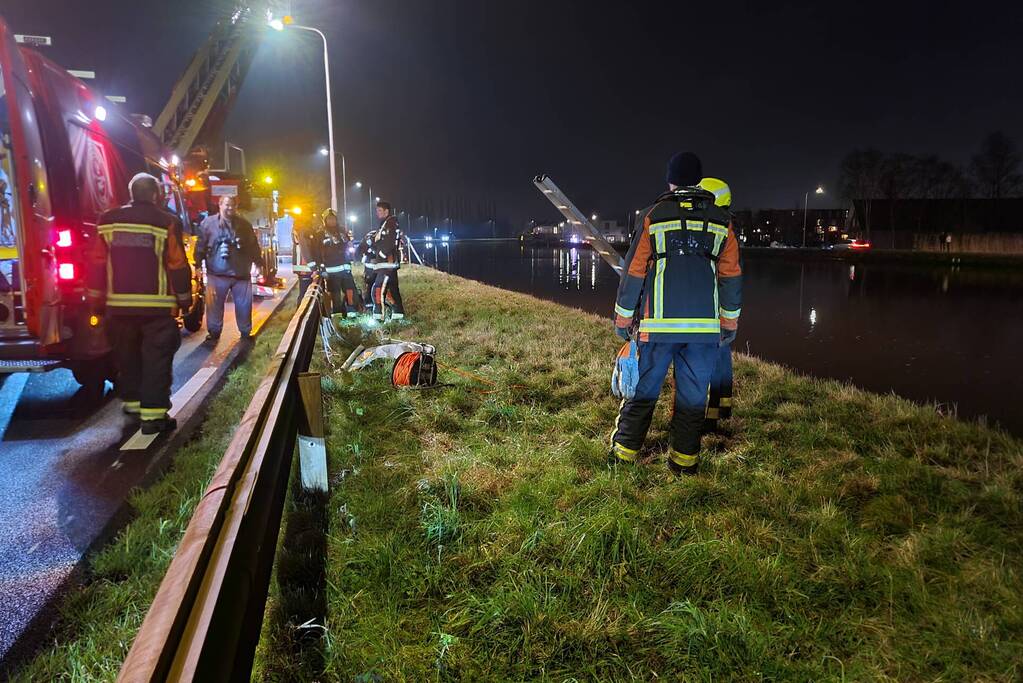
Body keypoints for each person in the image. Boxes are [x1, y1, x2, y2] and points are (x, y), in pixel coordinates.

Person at [609, 152, 743, 476]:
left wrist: (623, 319)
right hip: (703, 333)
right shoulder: (721, 221)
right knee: (694, 399)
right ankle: (683, 465)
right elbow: (730, 276)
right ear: (699, 181)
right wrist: (729, 323)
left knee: (643, 391)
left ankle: (624, 456)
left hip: (657, 328)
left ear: (670, 180)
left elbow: (635, 272)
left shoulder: (653, 216)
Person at [86, 173, 192, 434]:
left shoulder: (108, 221)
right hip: (156, 308)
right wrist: (184, 299)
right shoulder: (166, 221)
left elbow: (97, 262)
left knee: (127, 358)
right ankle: (154, 418)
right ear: (156, 195)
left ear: (131, 193)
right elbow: (176, 262)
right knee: (156, 360)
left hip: (119, 308)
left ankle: (133, 408)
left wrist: (96, 300)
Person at [697, 177, 738, 433]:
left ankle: (710, 420)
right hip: (722, 307)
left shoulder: (712, 229)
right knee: (722, 357)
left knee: (708, 363)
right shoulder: (726, 227)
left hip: (708, 307)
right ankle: (724, 406)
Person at [194, 195, 261, 342]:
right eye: (227, 205)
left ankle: (245, 333)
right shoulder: (208, 224)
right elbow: (201, 245)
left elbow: (253, 245)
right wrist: (198, 264)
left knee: (244, 306)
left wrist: (258, 262)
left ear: (236, 207)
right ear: (220, 205)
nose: (230, 208)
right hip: (216, 273)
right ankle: (214, 333)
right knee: (214, 307)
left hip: (241, 273)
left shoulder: (244, 225)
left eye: (233, 205)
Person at [319, 208, 363, 317]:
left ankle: (352, 314)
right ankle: (336, 317)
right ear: (325, 220)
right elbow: (318, 252)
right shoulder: (320, 234)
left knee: (350, 291)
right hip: (331, 272)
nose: (332, 221)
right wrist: (322, 268)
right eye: (329, 219)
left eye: (333, 219)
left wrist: (351, 256)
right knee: (335, 296)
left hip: (346, 270)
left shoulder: (343, 231)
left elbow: (349, 245)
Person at [369, 201, 405, 321]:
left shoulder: (390, 223)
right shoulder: (385, 223)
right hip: (387, 265)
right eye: (377, 210)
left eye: (380, 210)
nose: (377, 213)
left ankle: (379, 318)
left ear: (386, 211)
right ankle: (398, 316)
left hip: (387, 264)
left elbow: (389, 242)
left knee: (378, 290)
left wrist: (381, 254)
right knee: (392, 290)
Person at [294, 216, 322, 298]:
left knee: (307, 294)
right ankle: (301, 310)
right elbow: (306, 250)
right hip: (306, 269)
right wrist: (314, 268)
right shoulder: (305, 232)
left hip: (306, 268)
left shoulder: (305, 231)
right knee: (305, 295)